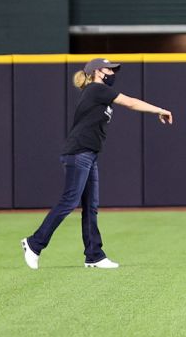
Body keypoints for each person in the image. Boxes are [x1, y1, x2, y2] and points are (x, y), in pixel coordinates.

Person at [21, 58, 174, 270]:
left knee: (90, 207)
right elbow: (130, 102)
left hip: (89, 154)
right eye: (108, 70)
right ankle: (34, 244)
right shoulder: (96, 89)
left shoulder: (98, 93)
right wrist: (159, 110)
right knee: (69, 201)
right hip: (78, 153)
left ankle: (94, 255)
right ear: (97, 72)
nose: (112, 73)